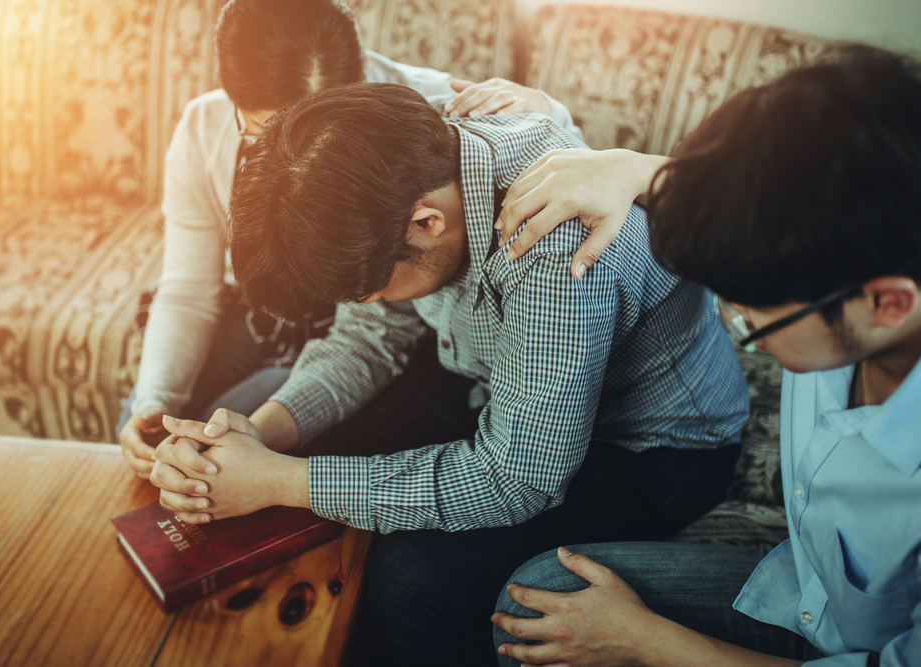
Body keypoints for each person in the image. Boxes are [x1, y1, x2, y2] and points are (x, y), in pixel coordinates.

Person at [146, 81, 749, 666]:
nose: (370, 304)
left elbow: (519, 479)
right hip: (491, 371)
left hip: (653, 447)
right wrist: (261, 436)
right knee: (280, 429)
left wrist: (280, 481)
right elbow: (370, 337)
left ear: (426, 223)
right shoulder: (414, 155)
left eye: (372, 289)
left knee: (411, 583)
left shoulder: (556, 255)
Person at [491, 49, 921, 666]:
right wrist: (628, 168)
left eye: (754, 316)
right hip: (803, 585)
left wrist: (644, 641)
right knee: (544, 604)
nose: (738, 322)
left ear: (886, 304)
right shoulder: (853, 247)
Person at [116, 0, 584, 479]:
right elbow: (189, 290)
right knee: (163, 433)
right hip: (281, 314)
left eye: (323, 132)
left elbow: (554, 151)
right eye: (266, 130)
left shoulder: (429, 124)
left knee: (233, 453)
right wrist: (158, 400)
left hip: (374, 321)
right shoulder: (203, 127)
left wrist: (553, 113)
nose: (294, 152)